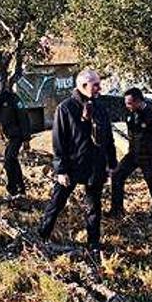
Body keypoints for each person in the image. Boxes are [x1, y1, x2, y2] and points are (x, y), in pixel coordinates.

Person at [38, 70, 117, 253]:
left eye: (99, 83)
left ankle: (93, 244)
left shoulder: (100, 107)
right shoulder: (65, 108)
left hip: (95, 165)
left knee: (94, 206)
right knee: (57, 202)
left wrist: (111, 164)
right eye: (95, 85)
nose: (99, 88)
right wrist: (61, 170)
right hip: (72, 165)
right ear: (83, 86)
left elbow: (108, 138)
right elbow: (59, 141)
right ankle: (42, 235)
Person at [109, 88, 152, 223]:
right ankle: (116, 210)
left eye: (129, 103)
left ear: (138, 101)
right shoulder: (130, 115)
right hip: (133, 154)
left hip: (150, 157)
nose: (127, 106)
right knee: (117, 175)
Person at [0, 75, 32, 200]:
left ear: (1, 84)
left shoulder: (12, 98)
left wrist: (26, 139)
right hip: (2, 138)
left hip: (16, 136)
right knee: (13, 162)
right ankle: (21, 189)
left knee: (9, 161)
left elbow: (24, 118)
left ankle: (12, 190)